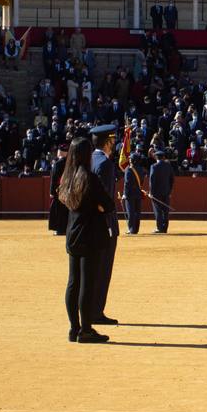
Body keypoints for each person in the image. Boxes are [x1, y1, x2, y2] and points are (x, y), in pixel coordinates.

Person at [59, 136, 111, 344]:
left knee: (73, 282)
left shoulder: (68, 177)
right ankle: (86, 329)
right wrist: (98, 207)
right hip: (90, 235)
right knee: (87, 284)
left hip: (73, 233)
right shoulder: (88, 177)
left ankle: (74, 328)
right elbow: (108, 205)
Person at [89, 125, 122, 325]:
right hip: (104, 225)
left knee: (92, 269)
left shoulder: (89, 159)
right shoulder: (105, 164)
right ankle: (96, 311)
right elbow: (106, 201)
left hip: (88, 224)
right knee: (102, 270)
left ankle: (89, 309)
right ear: (108, 142)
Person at [149, 148, 175, 233]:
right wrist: (170, 191)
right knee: (165, 210)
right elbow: (172, 179)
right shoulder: (168, 166)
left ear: (156, 157)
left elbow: (152, 181)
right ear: (163, 157)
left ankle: (159, 228)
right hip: (166, 192)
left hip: (156, 193)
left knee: (158, 210)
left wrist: (151, 192)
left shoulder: (154, 166)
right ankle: (165, 228)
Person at [121, 151, 146, 236]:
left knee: (130, 211)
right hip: (138, 193)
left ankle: (131, 229)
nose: (129, 160)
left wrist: (124, 194)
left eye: (130, 159)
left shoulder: (129, 169)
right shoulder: (141, 169)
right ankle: (136, 229)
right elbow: (141, 182)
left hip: (130, 194)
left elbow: (127, 183)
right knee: (137, 212)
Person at [46, 143, 68, 234]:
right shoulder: (71, 162)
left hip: (59, 190)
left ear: (61, 152)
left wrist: (52, 191)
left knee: (58, 210)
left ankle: (59, 229)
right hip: (68, 189)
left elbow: (54, 179)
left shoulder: (58, 163)